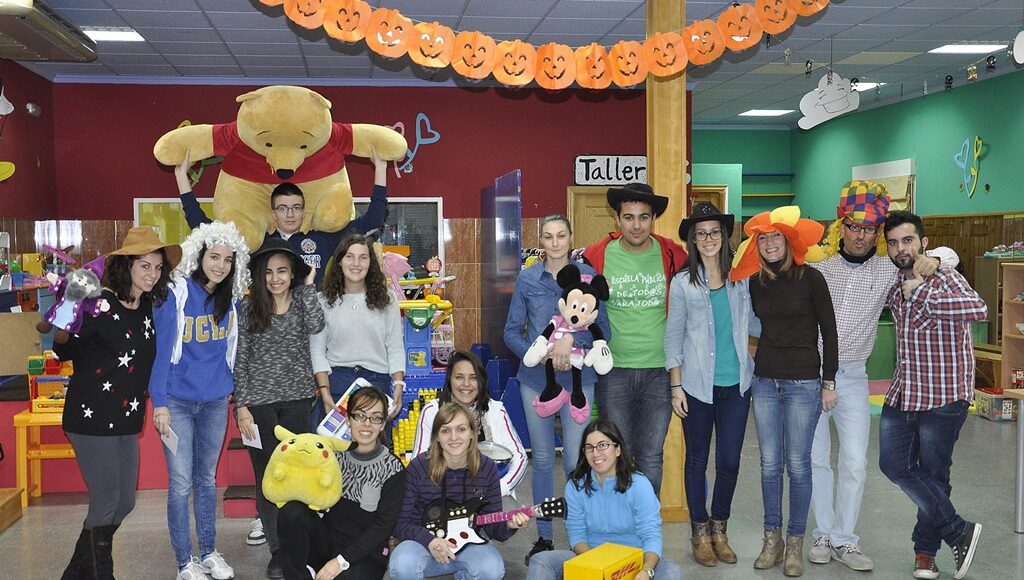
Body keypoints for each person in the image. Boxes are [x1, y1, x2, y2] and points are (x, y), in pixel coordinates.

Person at [808, 182, 958, 572]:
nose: (860, 235)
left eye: (869, 229)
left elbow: (947, 254)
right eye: (854, 227)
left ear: (877, 234)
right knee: (816, 460)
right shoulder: (818, 268)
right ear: (841, 227)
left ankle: (845, 539)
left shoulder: (889, 268)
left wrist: (935, 259)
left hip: (854, 378)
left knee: (855, 462)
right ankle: (823, 533)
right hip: (812, 375)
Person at [54, 227, 180, 580]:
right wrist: (66, 308)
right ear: (127, 266)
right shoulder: (99, 302)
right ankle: (101, 573)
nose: (152, 274)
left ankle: (75, 572)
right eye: (145, 266)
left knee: (124, 502)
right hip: (91, 417)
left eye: (158, 267)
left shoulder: (147, 307)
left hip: (126, 418)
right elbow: (63, 347)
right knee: (106, 502)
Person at [729, 206, 838, 578]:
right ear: (756, 245)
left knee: (799, 465)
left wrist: (829, 381)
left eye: (776, 236)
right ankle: (771, 540)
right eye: (763, 238)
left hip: (804, 382)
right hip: (765, 380)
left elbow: (829, 331)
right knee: (770, 465)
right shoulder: (755, 282)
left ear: (789, 241)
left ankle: (795, 543)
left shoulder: (811, 278)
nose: (770, 243)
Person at [878, 210, 986, 580]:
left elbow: (978, 309)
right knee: (894, 465)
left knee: (934, 474)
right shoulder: (893, 280)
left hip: (944, 397)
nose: (900, 248)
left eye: (907, 240)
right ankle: (958, 531)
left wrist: (923, 292)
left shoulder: (945, 276)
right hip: (904, 392)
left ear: (923, 243)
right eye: (893, 242)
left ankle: (925, 553)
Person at [503, 214, 610, 564]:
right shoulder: (527, 278)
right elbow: (511, 332)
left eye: (561, 235)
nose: (555, 243)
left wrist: (572, 342)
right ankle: (544, 537)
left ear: (570, 237)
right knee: (545, 459)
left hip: (580, 382)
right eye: (548, 236)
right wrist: (540, 354)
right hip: (537, 382)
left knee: (578, 461)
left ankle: (581, 538)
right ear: (541, 241)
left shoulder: (589, 276)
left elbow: (604, 331)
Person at [149, 221, 250, 580]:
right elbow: (161, 352)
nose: (220, 265)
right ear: (200, 256)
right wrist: (159, 402)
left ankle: (208, 552)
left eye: (228, 259)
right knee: (180, 483)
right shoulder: (176, 292)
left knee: (206, 479)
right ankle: (184, 561)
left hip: (215, 402)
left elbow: (233, 351)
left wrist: (234, 394)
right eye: (214, 257)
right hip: (176, 402)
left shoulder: (231, 300)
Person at [664, 202, 758, 567]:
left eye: (714, 232)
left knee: (730, 461)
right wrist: (676, 387)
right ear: (692, 239)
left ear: (724, 236)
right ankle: (699, 533)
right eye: (700, 233)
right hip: (696, 388)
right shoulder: (682, 283)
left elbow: (756, 322)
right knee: (697, 461)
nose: (708, 239)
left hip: (737, 386)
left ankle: (720, 529)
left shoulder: (741, 278)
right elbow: (673, 339)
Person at [581, 183, 687, 496]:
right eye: (629, 217)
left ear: (653, 219)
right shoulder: (596, 256)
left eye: (643, 217)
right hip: (613, 371)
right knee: (616, 454)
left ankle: (646, 519)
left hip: (659, 371)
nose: (636, 225)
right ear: (617, 219)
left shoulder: (673, 255)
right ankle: (619, 520)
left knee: (652, 455)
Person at [233, 237, 324, 579]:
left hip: (298, 400)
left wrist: (310, 285)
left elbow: (317, 325)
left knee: (297, 476)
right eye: (268, 272)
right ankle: (278, 551)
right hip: (259, 407)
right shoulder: (249, 307)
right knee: (268, 478)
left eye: (282, 271)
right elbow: (240, 360)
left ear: (292, 273)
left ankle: (298, 546)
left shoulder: (302, 300)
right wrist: (242, 406)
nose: (275, 278)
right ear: (260, 275)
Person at [175, 146, 389, 285]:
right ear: (273, 213)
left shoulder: (323, 238)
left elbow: (372, 220)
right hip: (268, 329)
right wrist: (181, 177)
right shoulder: (258, 242)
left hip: (313, 326)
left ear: (303, 212)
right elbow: (204, 229)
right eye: (283, 208)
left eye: (296, 207)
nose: (290, 214)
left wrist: (380, 168)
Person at [526, 419, 684, 580]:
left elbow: (651, 536)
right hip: (590, 557)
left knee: (671, 571)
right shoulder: (575, 486)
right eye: (589, 447)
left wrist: (646, 571)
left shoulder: (639, 485)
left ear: (618, 449)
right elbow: (577, 537)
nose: (596, 453)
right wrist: (600, 568)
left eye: (603, 445)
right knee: (541, 561)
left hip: (634, 562)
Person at [278, 386, 406, 580]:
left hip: (366, 554)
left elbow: (382, 527)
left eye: (375, 418)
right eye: (360, 416)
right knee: (291, 511)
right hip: (327, 544)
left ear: (382, 424)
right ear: (348, 420)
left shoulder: (393, 468)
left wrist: (341, 562)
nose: (367, 424)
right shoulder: (333, 458)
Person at [389, 403, 528, 579]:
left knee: (492, 569)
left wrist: (508, 525)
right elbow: (401, 523)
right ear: (436, 437)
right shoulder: (418, 467)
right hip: (424, 546)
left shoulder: (487, 468)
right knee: (401, 563)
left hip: (468, 547)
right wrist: (430, 541)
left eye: (461, 429)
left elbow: (491, 527)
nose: (453, 437)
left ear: (473, 433)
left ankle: (463, 574)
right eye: (445, 431)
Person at [309, 234, 405, 435]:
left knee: (373, 448)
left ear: (371, 263)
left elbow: (395, 346)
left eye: (363, 257)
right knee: (334, 450)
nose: (356, 264)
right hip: (336, 384)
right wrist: (325, 393)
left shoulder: (387, 300)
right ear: (339, 261)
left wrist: (398, 385)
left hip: (376, 383)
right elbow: (317, 350)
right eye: (349, 257)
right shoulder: (323, 301)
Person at [412, 350, 527, 501]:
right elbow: (418, 464)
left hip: (491, 495)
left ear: (481, 381)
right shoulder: (432, 412)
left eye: (473, 378)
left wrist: (499, 488)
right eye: (459, 377)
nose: (466, 384)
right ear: (449, 380)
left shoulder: (495, 410)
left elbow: (520, 458)